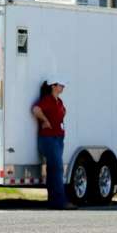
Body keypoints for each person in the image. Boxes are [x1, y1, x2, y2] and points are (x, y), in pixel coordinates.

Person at [32, 80, 76, 210]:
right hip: (49, 138)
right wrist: (45, 120)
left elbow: (63, 112)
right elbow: (36, 109)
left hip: (58, 138)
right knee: (57, 168)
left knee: (53, 169)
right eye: (61, 85)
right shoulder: (47, 100)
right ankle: (60, 201)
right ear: (53, 86)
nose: (63, 87)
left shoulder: (59, 101)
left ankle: (53, 201)